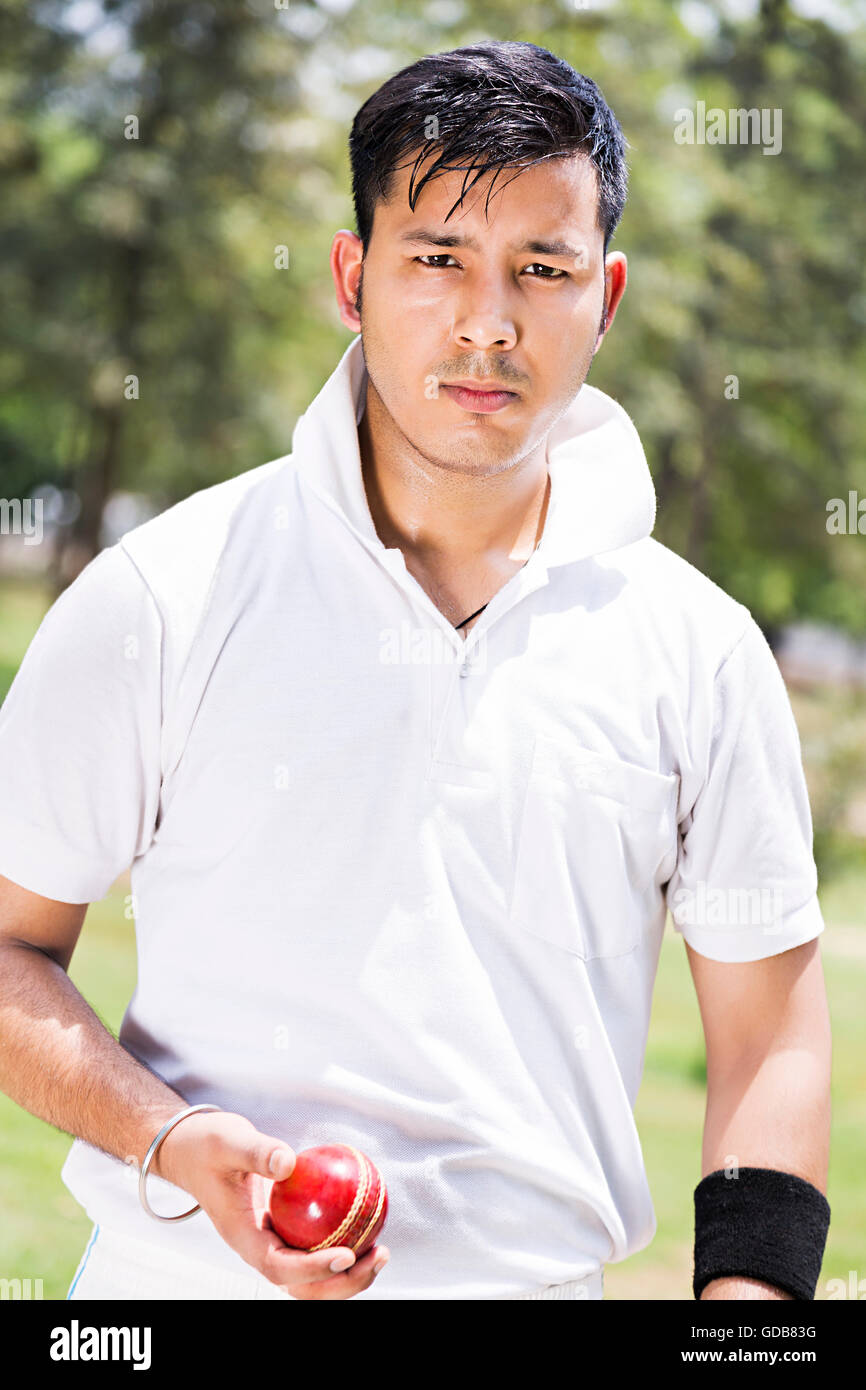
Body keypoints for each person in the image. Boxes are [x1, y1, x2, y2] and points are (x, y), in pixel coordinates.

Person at [0, 40, 830, 1303]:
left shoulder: (699, 650)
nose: (486, 321)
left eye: (539, 270)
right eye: (436, 257)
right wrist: (163, 1137)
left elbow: (767, 1038)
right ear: (352, 276)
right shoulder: (163, 595)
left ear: (602, 298)